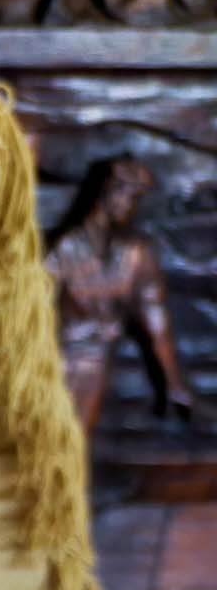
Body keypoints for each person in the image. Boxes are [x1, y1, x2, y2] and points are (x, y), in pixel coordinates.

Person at [45, 155, 196, 430]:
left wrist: (174, 383)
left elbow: (157, 324)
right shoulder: (63, 249)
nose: (133, 206)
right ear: (109, 193)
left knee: (73, 436)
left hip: (95, 362)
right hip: (54, 361)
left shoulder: (136, 255)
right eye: (131, 197)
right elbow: (31, 313)